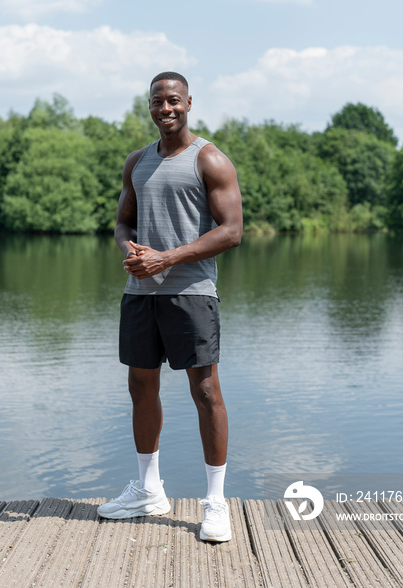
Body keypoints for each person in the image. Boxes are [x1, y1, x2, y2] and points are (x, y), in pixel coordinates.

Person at [97, 72, 242, 542]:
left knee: (205, 392)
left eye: (174, 100)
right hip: (141, 295)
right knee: (141, 386)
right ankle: (148, 490)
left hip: (192, 294)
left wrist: (169, 256)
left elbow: (231, 231)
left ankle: (215, 503)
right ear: (151, 106)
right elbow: (121, 222)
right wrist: (131, 251)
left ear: (189, 103)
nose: (166, 109)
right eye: (158, 102)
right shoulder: (136, 162)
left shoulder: (210, 159)